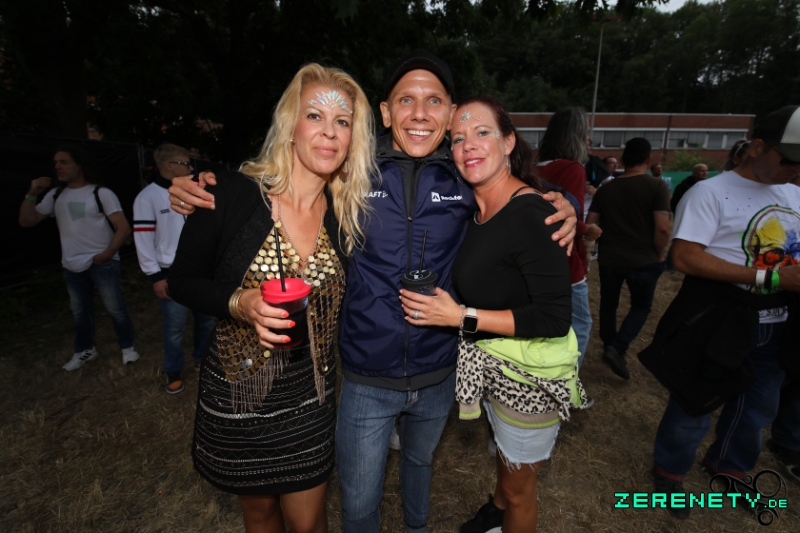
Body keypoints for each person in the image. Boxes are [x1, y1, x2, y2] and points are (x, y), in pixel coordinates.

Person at [167, 49, 577, 533]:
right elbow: (277, 182)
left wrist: (564, 203)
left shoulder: (463, 174)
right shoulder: (352, 174)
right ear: (384, 112)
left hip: (436, 368)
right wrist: (196, 185)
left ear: (449, 113)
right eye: (405, 100)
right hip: (362, 375)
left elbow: (511, 196)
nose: (419, 113)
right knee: (357, 502)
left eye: (433, 101)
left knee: (416, 468)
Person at [168, 63, 375, 533]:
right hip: (240, 389)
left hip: (310, 394)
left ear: (352, 138)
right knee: (260, 514)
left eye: (342, 121)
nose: (329, 131)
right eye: (315, 116)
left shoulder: (347, 214)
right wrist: (239, 303)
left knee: (308, 521)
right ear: (290, 127)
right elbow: (181, 280)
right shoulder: (231, 194)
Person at [398, 95, 587, 533]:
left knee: (521, 491)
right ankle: (494, 512)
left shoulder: (532, 213)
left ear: (508, 142)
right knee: (507, 463)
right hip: (498, 368)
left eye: (482, 132)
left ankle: (506, 509)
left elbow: (553, 318)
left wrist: (460, 316)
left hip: (529, 380)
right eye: (457, 138)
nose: (468, 145)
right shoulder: (478, 205)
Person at [642, 105, 800, 519]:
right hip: (723, 317)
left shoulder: (794, 193)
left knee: (758, 407)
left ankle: (729, 465)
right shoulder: (710, 192)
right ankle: (670, 471)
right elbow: (684, 257)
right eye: (789, 159)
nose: (795, 169)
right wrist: (771, 278)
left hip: (778, 321)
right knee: (695, 399)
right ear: (758, 147)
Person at [19, 146, 140, 370]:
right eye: (56, 163)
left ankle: (127, 347)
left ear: (79, 165)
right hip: (71, 264)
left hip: (102, 262)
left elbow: (123, 227)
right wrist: (32, 193)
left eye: (64, 162)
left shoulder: (100, 193)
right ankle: (85, 349)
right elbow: (27, 221)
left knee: (114, 307)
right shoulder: (55, 195)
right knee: (80, 311)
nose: (58, 167)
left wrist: (108, 254)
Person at [133, 143, 215, 394]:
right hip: (171, 273)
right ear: (169, 166)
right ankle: (174, 370)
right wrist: (155, 276)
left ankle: (202, 359)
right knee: (174, 327)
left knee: (206, 320)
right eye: (185, 164)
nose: (190, 168)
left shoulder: (194, 192)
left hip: (201, 269)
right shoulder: (147, 197)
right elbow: (143, 239)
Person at [586, 138, 671, 380]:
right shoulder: (657, 186)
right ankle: (618, 347)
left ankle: (609, 344)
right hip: (643, 259)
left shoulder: (606, 189)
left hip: (610, 258)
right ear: (649, 159)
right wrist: (660, 253)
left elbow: (591, 223)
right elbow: (662, 227)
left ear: (623, 160)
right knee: (641, 306)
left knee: (608, 304)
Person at [536, 107, 602, 368]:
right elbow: (569, 217)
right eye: (585, 133)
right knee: (580, 325)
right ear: (576, 136)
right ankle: (568, 382)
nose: (588, 139)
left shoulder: (534, 167)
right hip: (566, 262)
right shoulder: (573, 169)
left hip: (537, 261)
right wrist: (588, 229)